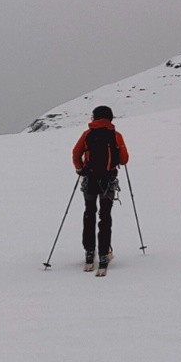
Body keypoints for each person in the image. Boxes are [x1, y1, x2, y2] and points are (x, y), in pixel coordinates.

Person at [72, 105, 129, 273]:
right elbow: (124, 159)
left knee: (89, 212)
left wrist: (81, 168)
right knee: (105, 216)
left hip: (90, 180)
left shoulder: (87, 134)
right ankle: (104, 254)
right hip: (108, 181)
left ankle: (90, 253)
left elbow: (76, 153)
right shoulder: (116, 136)